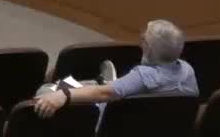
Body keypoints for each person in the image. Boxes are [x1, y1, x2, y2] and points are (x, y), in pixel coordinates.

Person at [33, 19, 198, 119]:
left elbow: (103, 94)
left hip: (106, 117)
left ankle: (106, 82)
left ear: (149, 49)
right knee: (100, 86)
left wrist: (63, 96)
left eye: (144, 40)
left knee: (47, 90)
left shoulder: (142, 77)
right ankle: (107, 82)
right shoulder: (188, 70)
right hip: (156, 127)